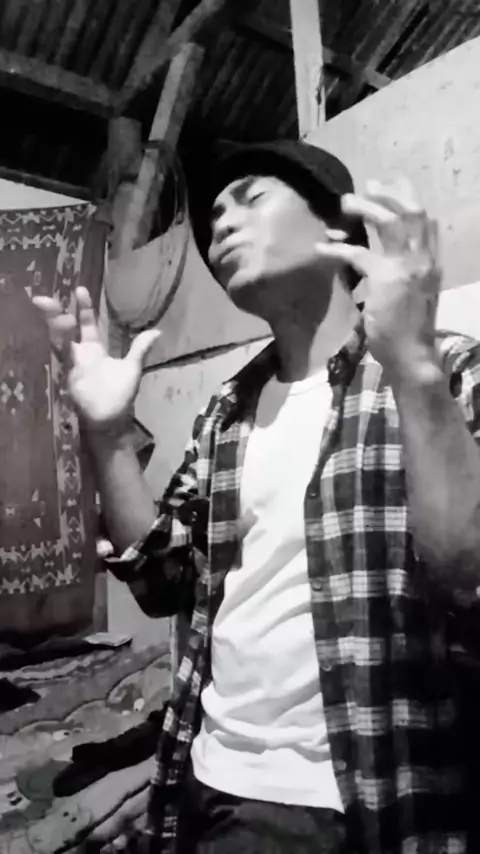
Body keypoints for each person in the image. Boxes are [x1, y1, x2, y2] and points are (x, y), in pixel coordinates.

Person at [34, 139, 480, 854]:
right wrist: (109, 434)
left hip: (350, 796)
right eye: (213, 215)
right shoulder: (227, 410)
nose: (220, 223)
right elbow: (162, 579)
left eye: (251, 198)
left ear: (336, 228)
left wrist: (415, 365)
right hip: (203, 770)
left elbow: (467, 572)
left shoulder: (450, 368)